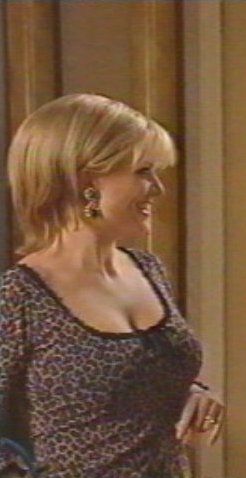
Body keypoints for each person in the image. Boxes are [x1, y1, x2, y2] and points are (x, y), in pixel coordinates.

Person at [0, 94, 223, 477]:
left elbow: (136, 379)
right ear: (86, 181)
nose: (157, 188)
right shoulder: (19, 296)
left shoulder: (148, 269)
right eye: (143, 171)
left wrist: (195, 393)